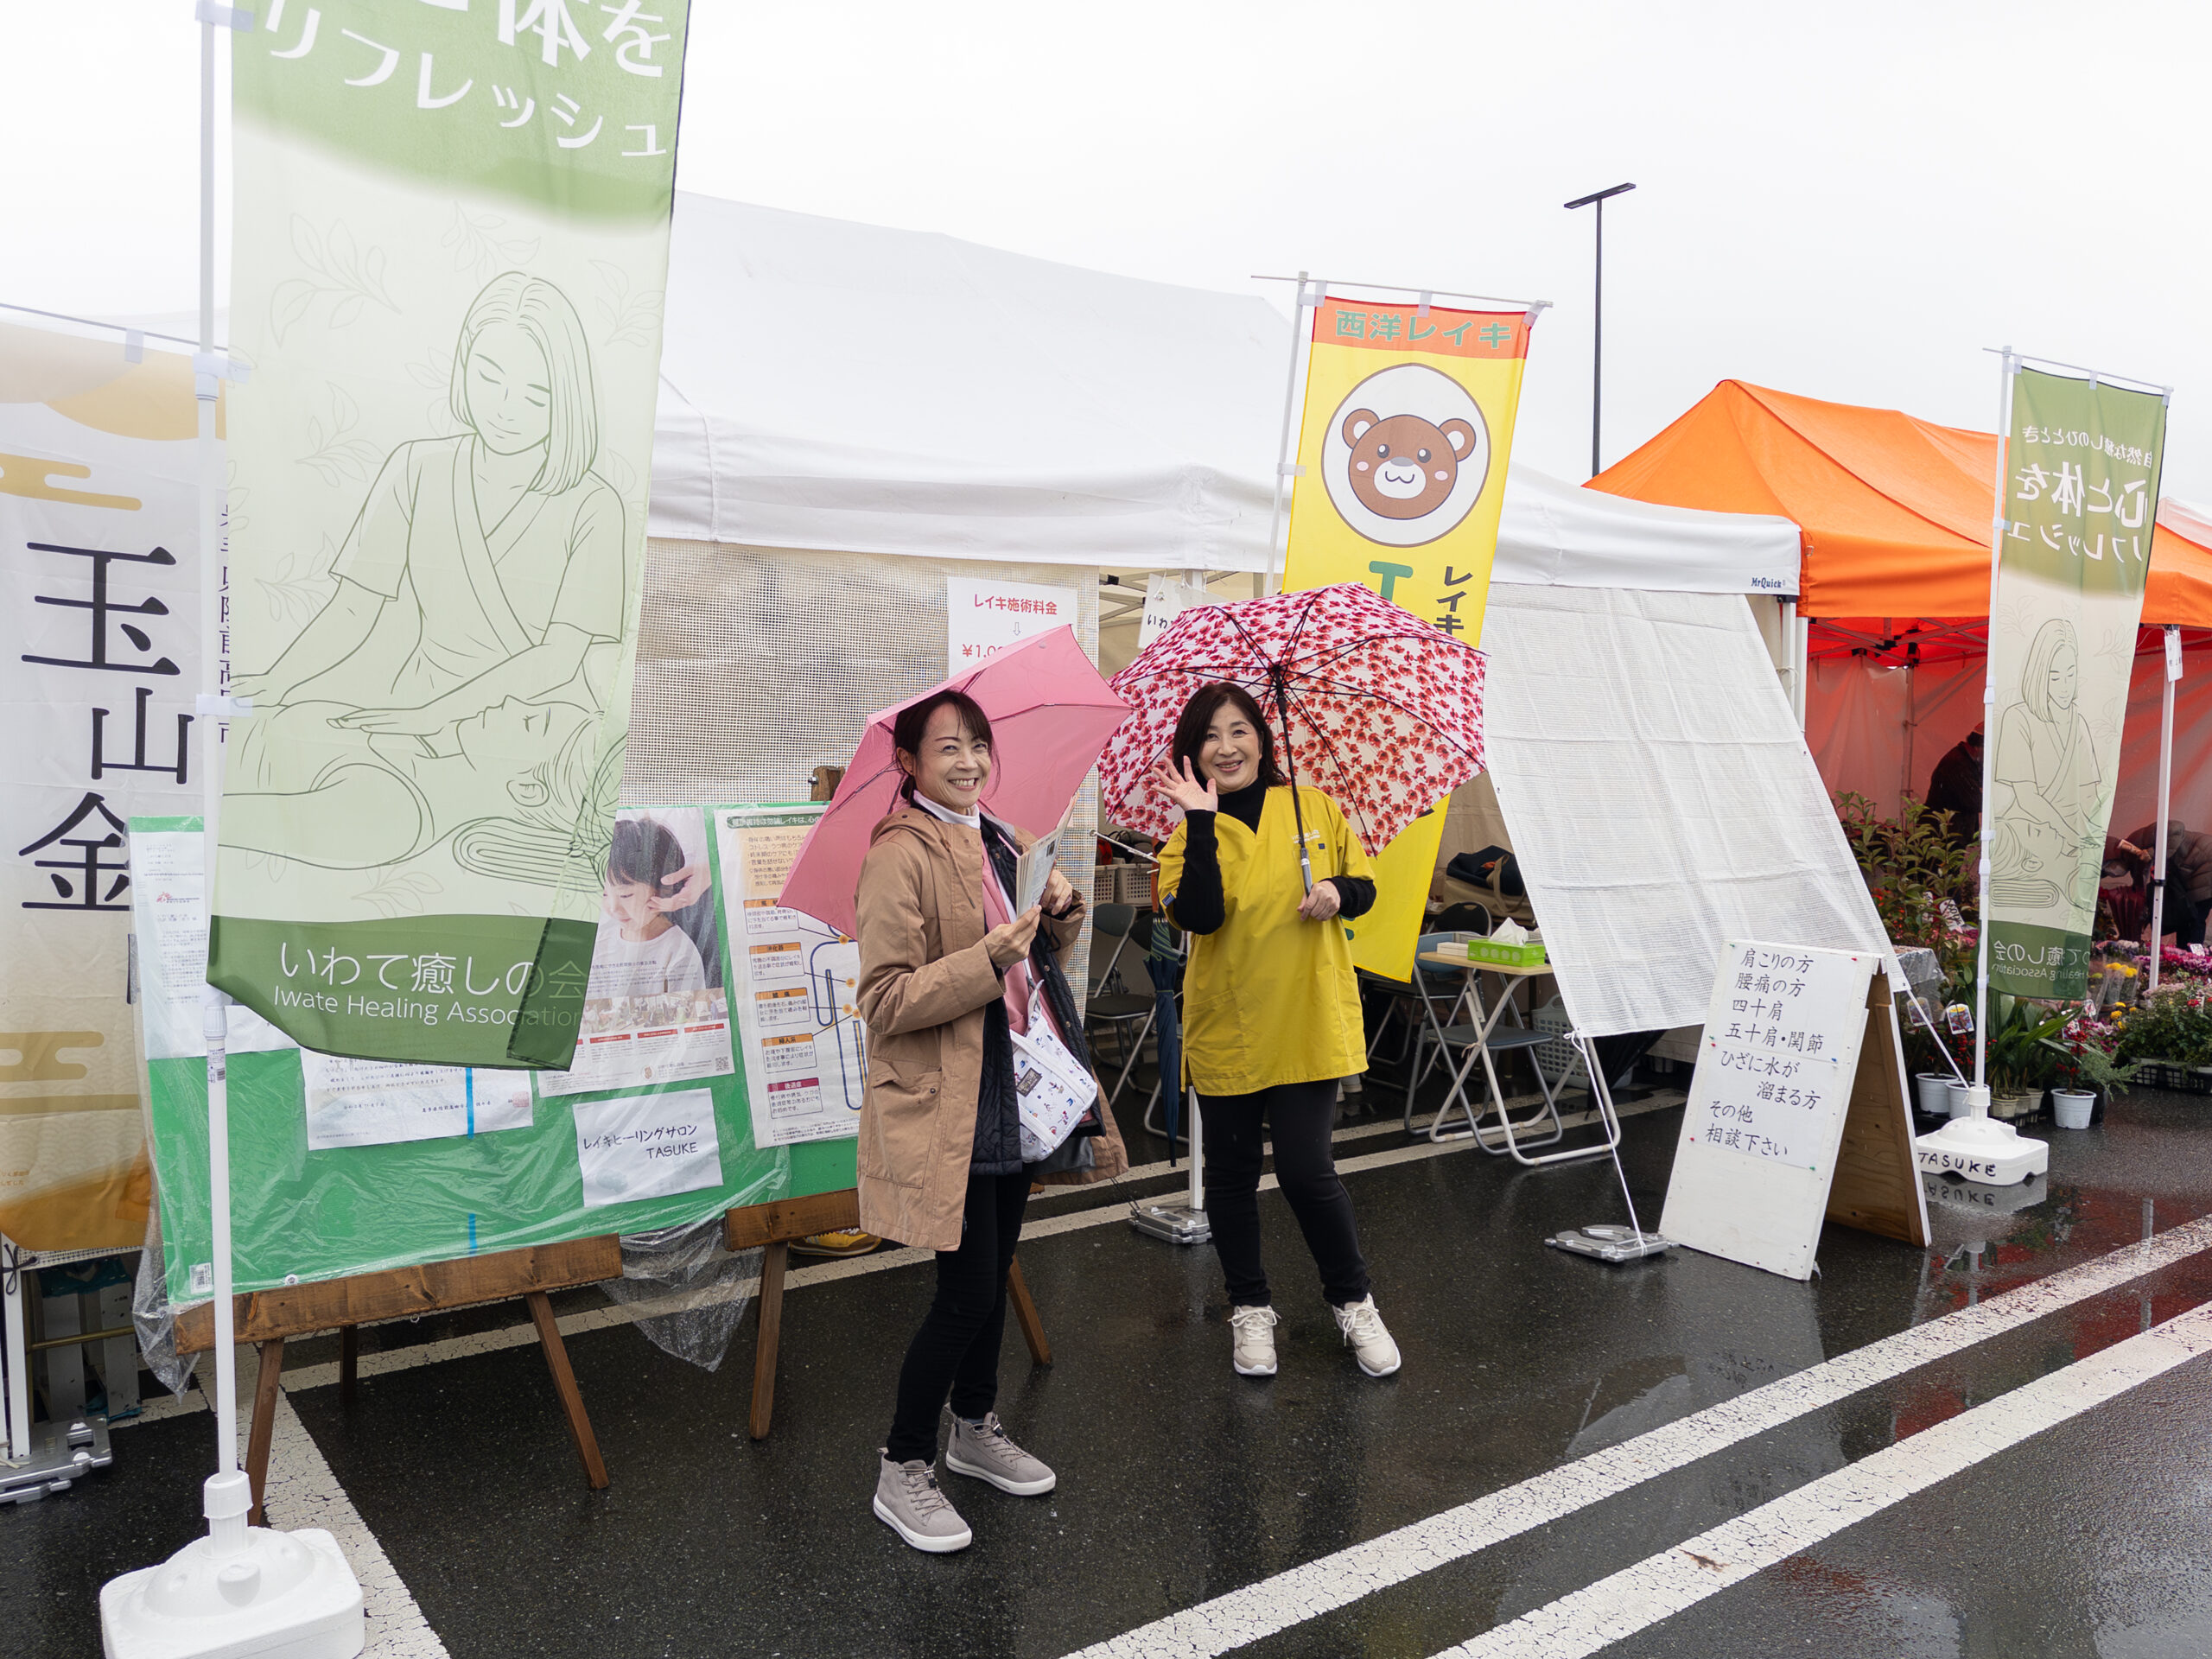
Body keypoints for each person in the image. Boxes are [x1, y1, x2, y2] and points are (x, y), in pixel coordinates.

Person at [854, 689, 1126, 1553]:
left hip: (1015, 1082)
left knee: (996, 1270)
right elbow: (885, 1000)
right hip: (951, 1096)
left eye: (977, 744)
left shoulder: (1001, 840)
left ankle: (973, 1428)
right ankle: (902, 1465)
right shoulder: (898, 854)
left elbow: (1033, 970)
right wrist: (987, 955)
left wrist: (1061, 918)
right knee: (965, 1291)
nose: (968, 761)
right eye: (947, 748)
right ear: (908, 763)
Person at [232, 271, 626, 748]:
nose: (506, 409)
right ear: (463, 365)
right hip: (413, 705)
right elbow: (354, 607)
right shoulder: (418, 467)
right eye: (488, 378)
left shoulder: (595, 506)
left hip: (525, 728)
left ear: (568, 398)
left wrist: (437, 717)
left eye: (536, 396)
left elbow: (559, 659)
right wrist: (279, 682)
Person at [1149, 682, 1400, 1382]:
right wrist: (1202, 822)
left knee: (1305, 1170)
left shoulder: (1314, 807)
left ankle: (1353, 1301)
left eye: (1239, 730)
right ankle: (1250, 1307)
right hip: (1228, 1024)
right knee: (1230, 1177)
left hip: (1307, 1016)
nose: (1226, 747)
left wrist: (1338, 892)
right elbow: (1199, 916)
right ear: (1192, 752)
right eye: (1209, 736)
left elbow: (1365, 884)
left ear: (1263, 738)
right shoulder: (1182, 838)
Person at [591, 817, 709, 996]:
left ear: (662, 889)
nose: (613, 908)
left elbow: (687, 1009)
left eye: (625, 895)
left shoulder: (678, 952)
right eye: (604, 894)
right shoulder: (601, 943)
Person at [1924, 727, 1983, 848]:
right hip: (1944, 836)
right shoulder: (1957, 764)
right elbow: (1975, 802)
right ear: (1978, 747)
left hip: (1951, 834)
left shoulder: (1967, 761)